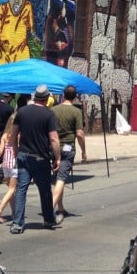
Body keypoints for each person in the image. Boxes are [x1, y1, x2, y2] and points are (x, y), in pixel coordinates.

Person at [10, 85, 61, 234]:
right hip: (41, 157)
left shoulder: (22, 111)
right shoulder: (49, 114)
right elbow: (54, 139)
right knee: (45, 190)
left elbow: (13, 135)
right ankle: (48, 219)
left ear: (34, 97)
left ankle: (17, 223)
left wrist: (15, 153)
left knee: (21, 189)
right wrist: (58, 157)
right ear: (46, 99)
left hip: (23, 155)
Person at [51, 85, 85, 224]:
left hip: (54, 147)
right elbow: (79, 134)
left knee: (58, 178)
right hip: (67, 147)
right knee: (61, 179)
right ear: (75, 96)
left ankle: (60, 208)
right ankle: (50, 208)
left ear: (63, 95)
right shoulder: (76, 112)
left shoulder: (53, 110)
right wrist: (84, 150)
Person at [0, 105, 22, 224]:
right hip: (14, 163)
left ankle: (14, 212)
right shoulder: (18, 135)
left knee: (10, 189)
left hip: (5, 163)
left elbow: (0, 151)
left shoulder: (4, 135)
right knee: (12, 189)